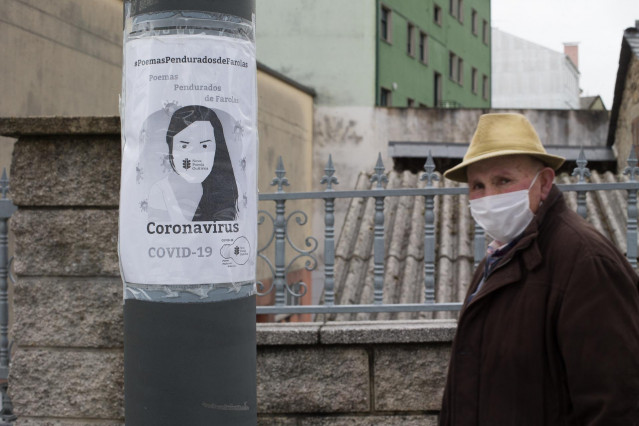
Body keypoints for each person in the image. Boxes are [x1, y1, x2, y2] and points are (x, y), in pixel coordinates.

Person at [439, 113, 639, 425]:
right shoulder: (499, 256)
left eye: (503, 181)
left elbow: (616, 406)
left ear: (544, 183)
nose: (488, 198)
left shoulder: (584, 262)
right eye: (477, 185)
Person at [148, 105, 238, 222]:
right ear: (171, 148)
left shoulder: (229, 190)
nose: (195, 154)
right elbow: (154, 237)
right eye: (184, 146)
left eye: (205, 146)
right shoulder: (161, 191)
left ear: (217, 147)